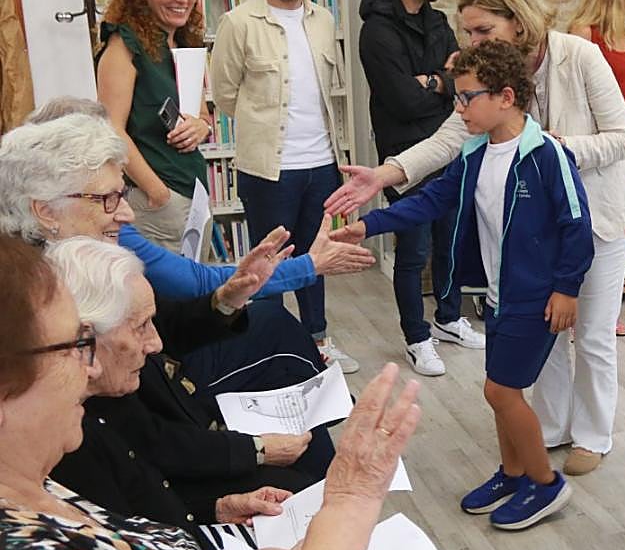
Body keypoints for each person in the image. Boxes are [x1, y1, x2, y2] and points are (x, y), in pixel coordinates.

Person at [0, 234, 429, 550]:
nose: (89, 368)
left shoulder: (36, 485)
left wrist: (224, 544)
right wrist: (352, 498)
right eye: (75, 347)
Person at [327, 0, 625, 476]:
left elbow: (622, 137)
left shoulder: (577, 55)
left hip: (595, 217)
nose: (470, 41)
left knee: (594, 334)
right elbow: (447, 141)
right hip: (535, 235)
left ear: (518, 21)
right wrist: (382, 176)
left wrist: (555, 151)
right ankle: (553, 426)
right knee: (549, 334)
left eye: (482, 31)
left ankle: (593, 435)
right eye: (468, 31)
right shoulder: (486, 82)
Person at [332, 41, 592, 529]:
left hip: (535, 298)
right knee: (501, 390)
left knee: (501, 391)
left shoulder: (547, 154)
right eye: (457, 95)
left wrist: (567, 288)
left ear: (506, 96)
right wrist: (370, 225)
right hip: (498, 295)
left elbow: (577, 225)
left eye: (467, 96)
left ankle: (545, 483)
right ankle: (512, 474)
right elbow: (429, 200)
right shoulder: (475, 152)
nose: (458, 107)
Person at [0, 108, 371, 399]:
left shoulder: (83, 247)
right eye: (110, 198)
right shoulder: (41, 299)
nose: (127, 213)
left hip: (169, 386)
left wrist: (227, 299)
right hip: (169, 396)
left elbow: (170, 319)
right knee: (279, 342)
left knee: (276, 330)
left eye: (123, 195)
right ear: (44, 210)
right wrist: (253, 450)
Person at [47, 236, 314, 549]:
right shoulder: (68, 438)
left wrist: (220, 507)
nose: (156, 344)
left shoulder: (88, 409)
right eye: (142, 326)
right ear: (85, 341)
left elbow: (146, 498)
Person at [210, 0, 359, 374]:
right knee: (269, 261)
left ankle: (318, 339)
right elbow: (224, 95)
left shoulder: (324, 19)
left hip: (321, 164)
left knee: (317, 257)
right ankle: (271, 344)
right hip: (267, 168)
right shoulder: (238, 23)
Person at [358, 0, 483, 377]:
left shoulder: (438, 20)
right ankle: (417, 337)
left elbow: (461, 77)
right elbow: (402, 101)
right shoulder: (376, 31)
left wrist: (431, 82)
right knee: (413, 251)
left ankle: (448, 319)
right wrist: (439, 83)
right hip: (404, 157)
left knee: (450, 241)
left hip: (450, 146)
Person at [96, 0, 211, 252]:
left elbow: (201, 115)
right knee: (166, 298)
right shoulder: (124, 46)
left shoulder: (184, 40)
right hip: (157, 201)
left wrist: (202, 126)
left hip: (194, 190)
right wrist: (156, 192)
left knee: (198, 294)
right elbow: (111, 129)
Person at [568, 0, 625, 335]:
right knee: (592, 212)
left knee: (621, 213)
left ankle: (607, 304)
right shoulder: (584, 33)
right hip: (601, 135)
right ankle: (580, 298)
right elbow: (575, 90)